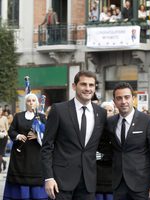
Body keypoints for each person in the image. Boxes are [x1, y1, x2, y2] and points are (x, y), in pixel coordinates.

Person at [41, 71, 107, 200]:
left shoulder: (101, 113)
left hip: (88, 182)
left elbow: (103, 146)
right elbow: (47, 147)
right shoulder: (58, 110)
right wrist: (49, 178)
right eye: (83, 84)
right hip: (60, 182)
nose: (88, 89)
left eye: (91, 85)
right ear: (74, 86)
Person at [100, 82, 150, 200]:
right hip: (118, 183)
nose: (123, 101)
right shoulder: (110, 122)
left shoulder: (148, 121)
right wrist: (115, 155)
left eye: (127, 97)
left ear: (133, 99)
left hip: (142, 183)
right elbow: (102, 144)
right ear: (114, 102)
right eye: (119, 98)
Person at [3, 93, 48, 200]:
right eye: (29, 101)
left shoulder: (41, 117)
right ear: (25, 103)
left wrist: (38, 135)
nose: (31, 103)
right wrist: (18, 135)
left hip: (36, 156)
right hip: (20, 156)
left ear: (36, 103)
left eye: (33, 100)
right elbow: (11, 130)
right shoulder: (18, 116)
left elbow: (48, 133)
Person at [96, 101, 115, 200]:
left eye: (110, 110)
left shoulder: (118, 125)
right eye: (105, 110)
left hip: (113, 168)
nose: (107, 112)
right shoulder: (95, 125)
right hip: (98, 167)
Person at [0, 106, 9, 172]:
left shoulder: (4, 118)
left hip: (3, 137)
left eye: (0, 110)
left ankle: (0, 168)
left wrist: (8, 137)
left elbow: (7, 128)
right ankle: (3, 162)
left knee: (0, 153)